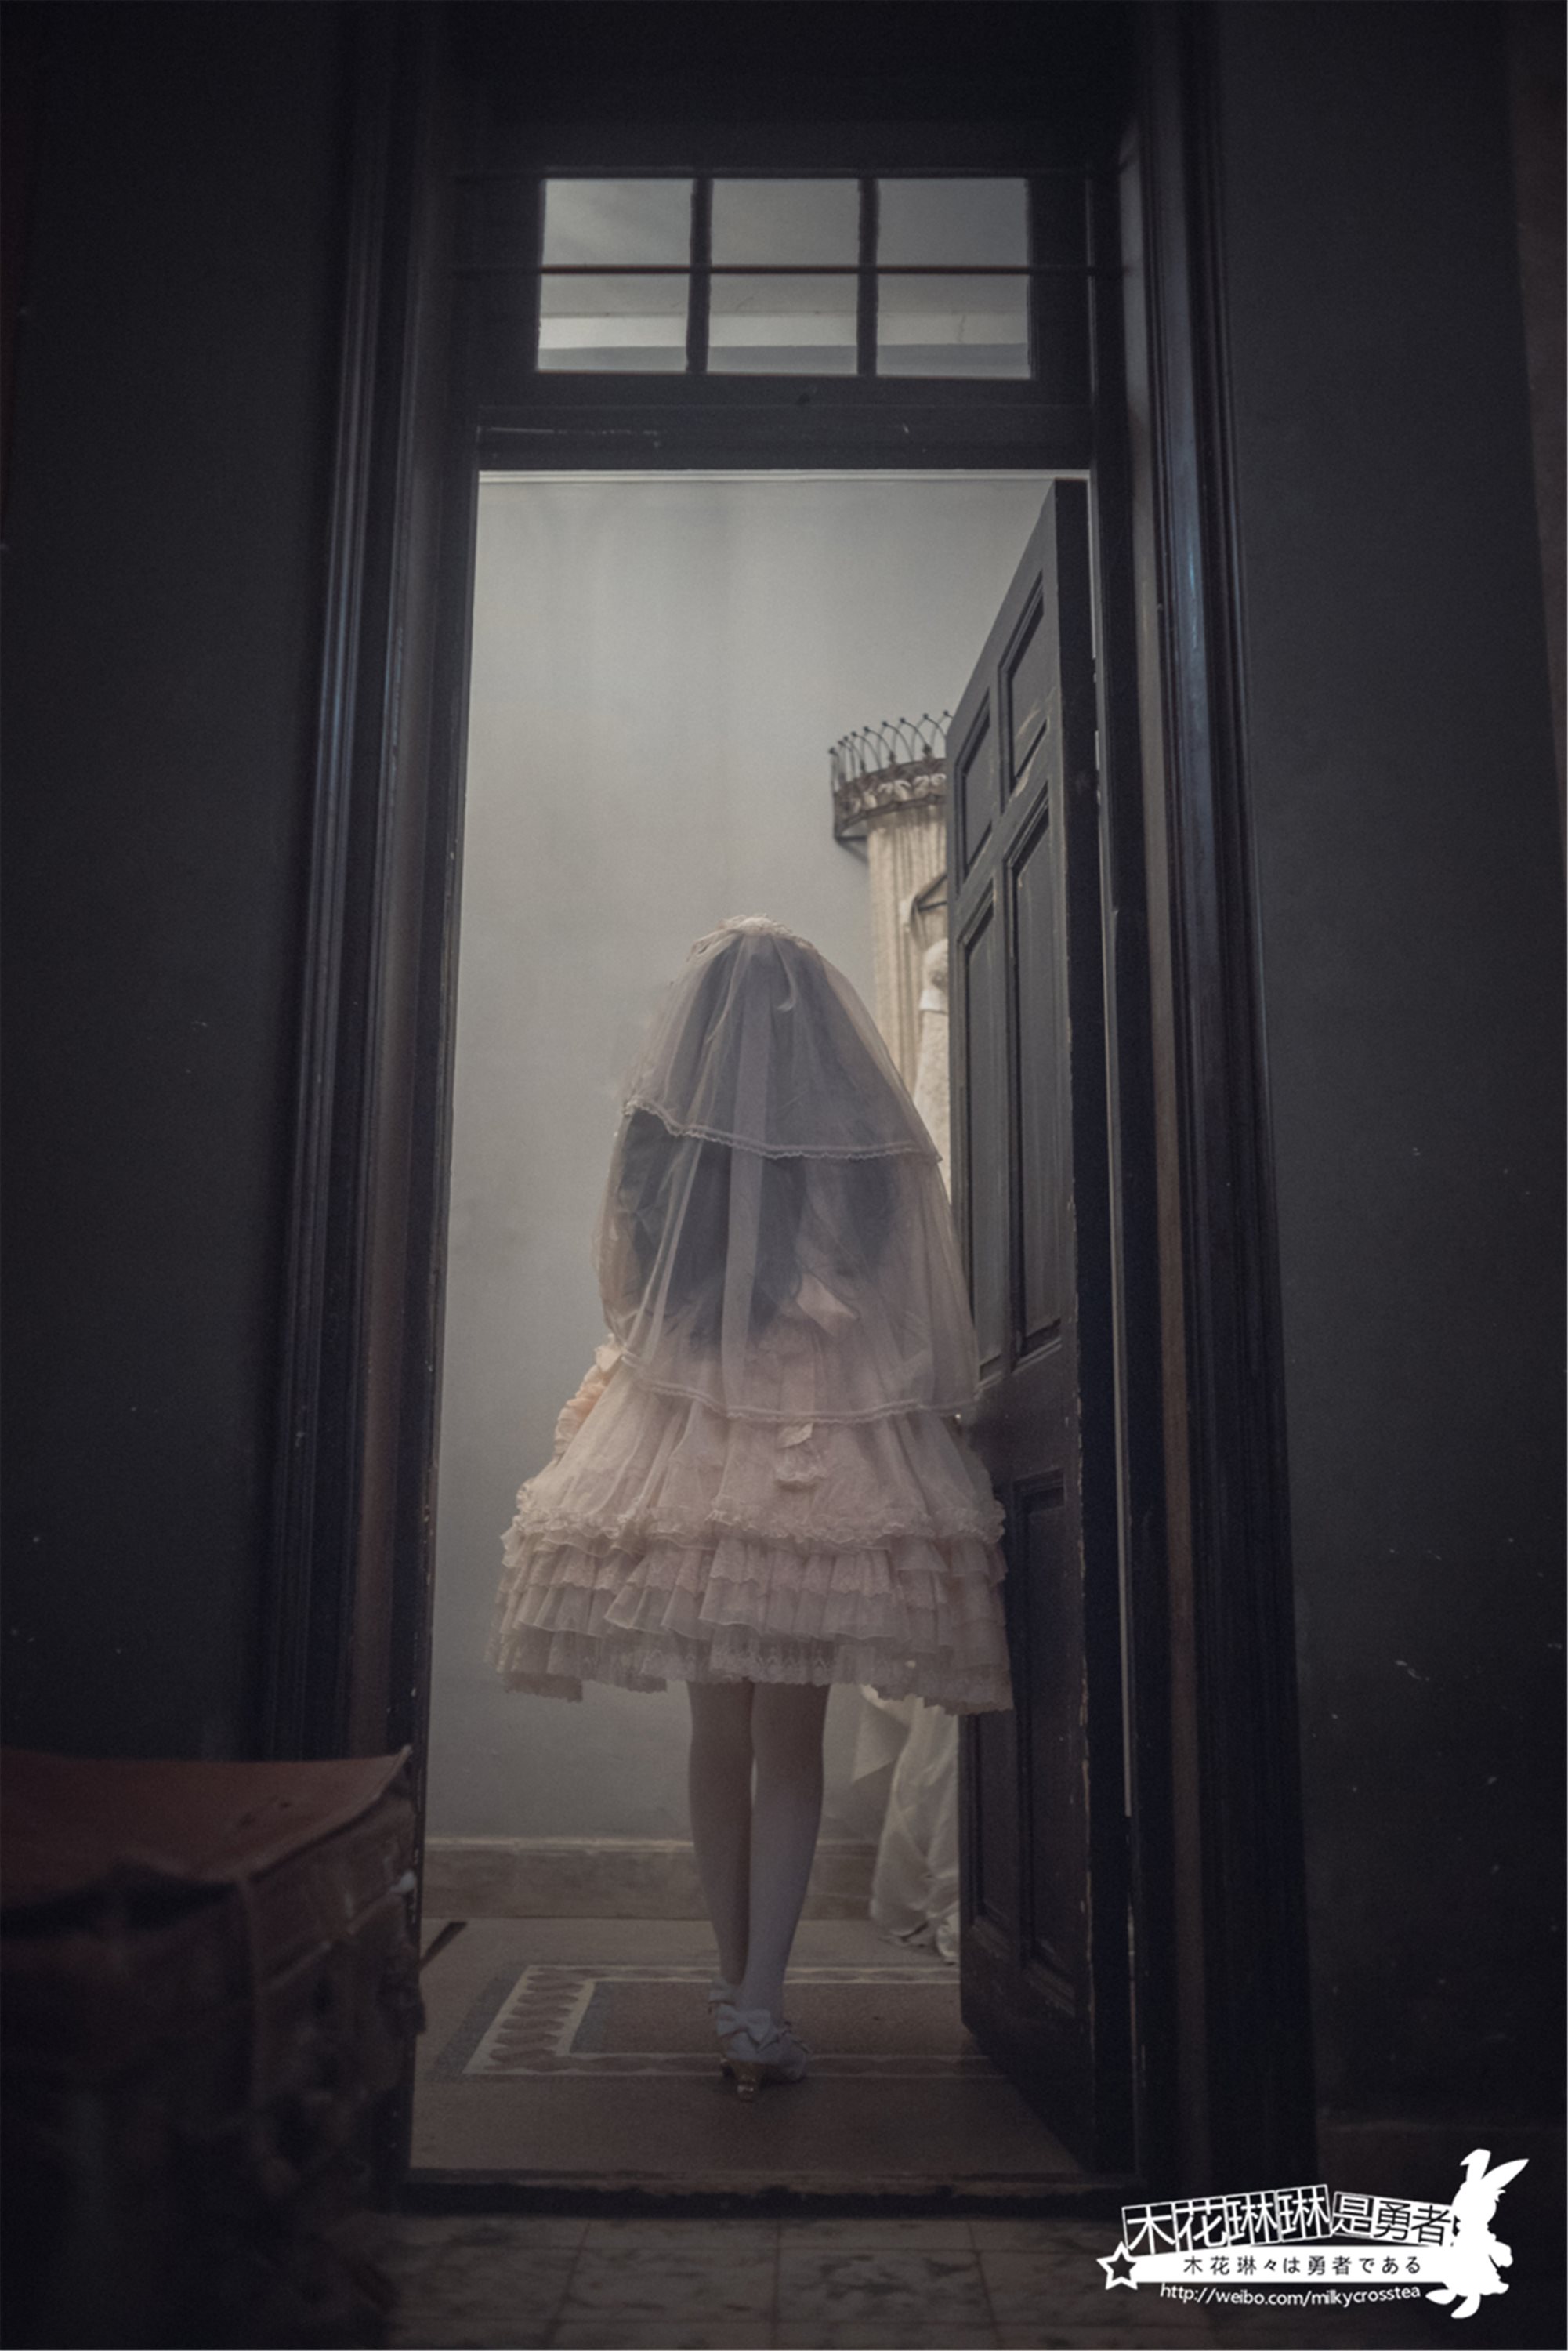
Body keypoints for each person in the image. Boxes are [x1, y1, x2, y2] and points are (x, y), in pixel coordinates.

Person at [486, 915, 1013, 2098]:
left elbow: (630, 1295)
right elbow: (899, 1295)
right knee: (788, 1743)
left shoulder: (661, 1142)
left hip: (694, 1421)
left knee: (717, 1736)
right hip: (822, 1423)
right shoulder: (862, 1145)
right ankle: (759, 1996)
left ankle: (740, 1988)